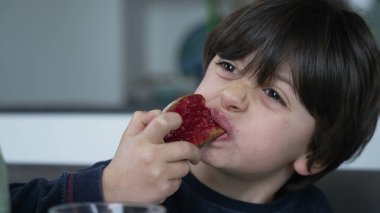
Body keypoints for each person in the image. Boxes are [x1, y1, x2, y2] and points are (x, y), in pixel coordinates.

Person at [9, 0, 380, 212]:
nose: (232, 95)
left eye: (273, 94)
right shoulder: (136, 178)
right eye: (228, 66)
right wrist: (107, 189)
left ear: (314, 155)